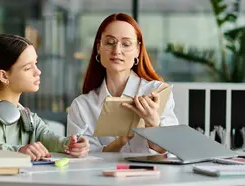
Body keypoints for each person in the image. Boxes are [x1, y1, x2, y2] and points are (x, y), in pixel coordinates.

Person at [0, 34, 90, 160]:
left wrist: (71, 144)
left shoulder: (27, 116)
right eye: (28, 68)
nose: (38, 72)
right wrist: (16, 151)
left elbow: (50, 139)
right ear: (3, 76)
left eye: (36, 64)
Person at [66, 13, 180, 154]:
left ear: (137, 50)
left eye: (126, 44)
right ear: (98, 47)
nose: (117, 51)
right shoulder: (82, 106)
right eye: (109, 42)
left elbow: (173, 151)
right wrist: (119, 142)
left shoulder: (156, 92)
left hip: (150, 175)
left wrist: (153, 123)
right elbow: (81, 161)